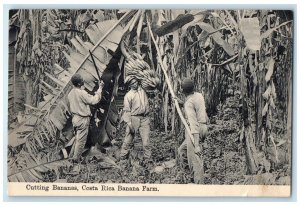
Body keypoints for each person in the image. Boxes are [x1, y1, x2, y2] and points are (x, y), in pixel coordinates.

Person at [177, 78, 208, 184]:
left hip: (194, 132)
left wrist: (197, 144)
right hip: (203, 127)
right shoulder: (199, 95)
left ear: (182, 91)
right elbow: (196, 107)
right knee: (182, 150)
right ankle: (190, 177)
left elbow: (193, 124)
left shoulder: (188, 103)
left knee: (195, 161)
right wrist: (181, 103)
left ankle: (199, 185)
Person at [68, 73, 104, 163]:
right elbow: (94, 100)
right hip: (82, 119)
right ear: (81, 83)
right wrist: (100, 88)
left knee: (77, 138)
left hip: (75, 118)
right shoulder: (81, 93)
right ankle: (75, 160)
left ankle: (71, 157)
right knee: (81, 141)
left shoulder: (71, 93)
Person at [119, 77, 151, 166]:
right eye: (132, 83)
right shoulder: (128, 95)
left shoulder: (142, 91)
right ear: (129, 85)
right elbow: (127, 111)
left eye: (135, 82)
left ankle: (147, 160)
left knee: (146, 141)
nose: (135, 84)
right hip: (134, 118)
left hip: (144, 118)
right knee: (128, 139)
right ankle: (123, 158)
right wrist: (129, 123)